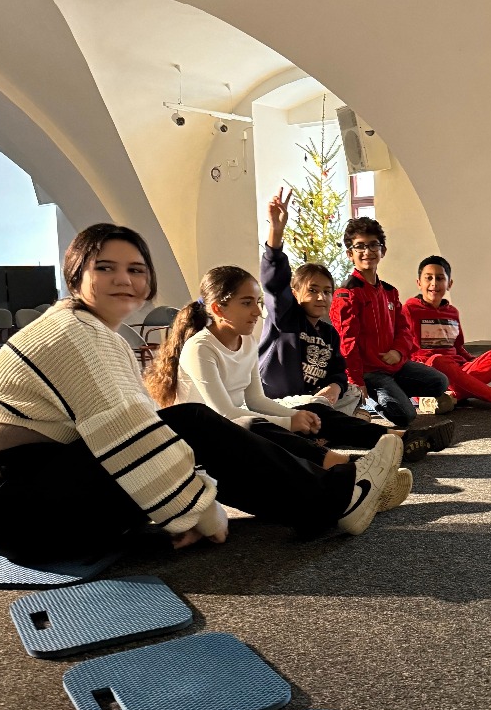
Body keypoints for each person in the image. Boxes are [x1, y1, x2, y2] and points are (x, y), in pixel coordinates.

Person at [0, 225, 405, 565]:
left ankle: (335, 487)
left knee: (193, 428)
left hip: (29, 501)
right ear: (75, 276)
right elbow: (130, 440)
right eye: (105, 268)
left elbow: (141, 431)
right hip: (19, 508)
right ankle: (336, 496)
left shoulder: (87, 330)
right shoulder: (76, 333)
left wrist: (190, 499)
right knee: (194, 421)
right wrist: (201, 512)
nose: (124, 279)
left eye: (136, 270)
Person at [144, 264, 413, 513]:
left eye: (258, 302)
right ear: (219, 308)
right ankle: (354, 471)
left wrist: (295, 416)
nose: (257, 311)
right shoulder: (200, 348)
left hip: (234, 427)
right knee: (257, 425)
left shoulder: (247, 342)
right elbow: (223, 413)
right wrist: (287, 422)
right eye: (247, 303)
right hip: (208, 442)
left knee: (311, 410)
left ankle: (368, 467)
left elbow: (256, 399)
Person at [330, 217, 455, 431]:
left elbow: (404, 329)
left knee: (440, 382)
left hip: (395, 366)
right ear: (350, 254)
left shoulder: (390, 291)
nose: (367, 251)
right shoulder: (347, 294)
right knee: (405, 415)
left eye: (373, 245)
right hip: (369, 373)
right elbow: (346, 344)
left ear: (383, 251)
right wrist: (356, 381)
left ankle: (393, 391)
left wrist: (398, 351)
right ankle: (365, 400)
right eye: (360, 246)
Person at [258, 189, 363, 416]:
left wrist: (334, 387)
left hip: (312, 398)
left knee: (351, 392)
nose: (321, 297)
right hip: (279, 402)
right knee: (317, 408)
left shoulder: (329, 333)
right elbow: (274, 282)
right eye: (312, 290)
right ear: (295, 293)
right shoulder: (285, 318)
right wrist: (276, 231)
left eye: (327, 292)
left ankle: (325, 420)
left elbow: (337, 371)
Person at [403, 256, 491, 409]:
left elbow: (458, 348)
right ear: (419, 283)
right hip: (430, 370)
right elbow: (405, 349)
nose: (434, 283)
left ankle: (450, 396)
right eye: (428, 278)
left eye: (440, 278)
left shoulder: (452, 312)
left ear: (449, 284)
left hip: (458, 370)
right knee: (439, 360)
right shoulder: (409, 310)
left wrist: (473, 361)